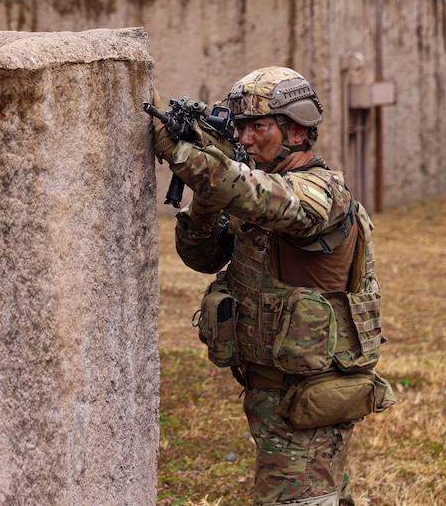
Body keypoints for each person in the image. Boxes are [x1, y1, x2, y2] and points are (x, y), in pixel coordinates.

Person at [151, 66, 393, 506]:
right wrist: (206, 200)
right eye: (239, 128)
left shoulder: (322, 191)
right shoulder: (255, 187)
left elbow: (260, 197)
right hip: (276, 392)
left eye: (258, 127)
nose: (244, 140)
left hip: (307, 394)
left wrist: (189, 158)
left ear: (297, 130)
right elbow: (201, 257)